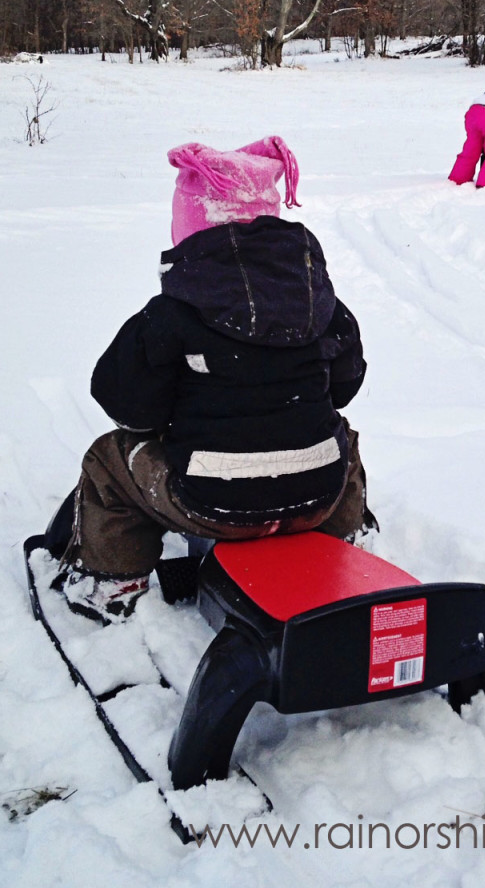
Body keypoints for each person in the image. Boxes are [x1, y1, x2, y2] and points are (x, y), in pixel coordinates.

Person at [53, 136, 375, 623]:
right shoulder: (320, 303)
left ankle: (110, 581)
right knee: (342, 440)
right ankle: (345, 537)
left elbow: (126, 407)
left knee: (108, 459)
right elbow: (345, 388)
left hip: (210, 501)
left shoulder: (171, 314)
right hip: (316, 497)